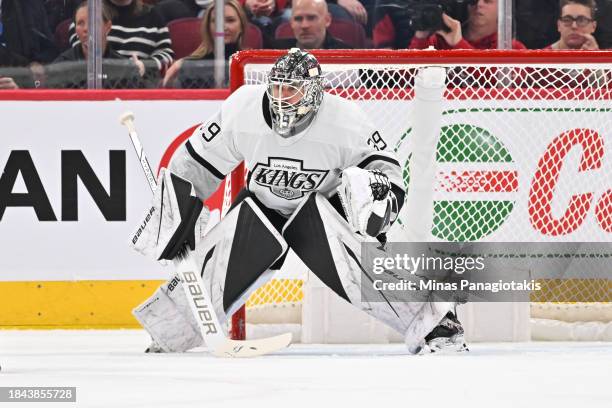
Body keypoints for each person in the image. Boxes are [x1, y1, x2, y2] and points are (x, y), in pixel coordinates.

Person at [130, 48, 468, 355]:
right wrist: (176, 212)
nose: (281, 98)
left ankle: (437, 322)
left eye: (291, 90)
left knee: (354, 265)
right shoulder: (242, 108)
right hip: (264, 206)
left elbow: (387, 169)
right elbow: (195, 163)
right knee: (221, 257)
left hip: (325, 207)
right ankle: (171, 331)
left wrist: (378, 194)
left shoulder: (343, 120)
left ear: (314, 93)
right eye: (276, 88)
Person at [67, 0, 174, 77]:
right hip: (96, 83)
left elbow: (167, 54)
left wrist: (144, 65)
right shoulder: (87, 11)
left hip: (136, 87)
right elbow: (81, 53)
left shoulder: (153, 15)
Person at [162, 0, 247, 88]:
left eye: (230, 20)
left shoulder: (252, 65)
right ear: (208, 26)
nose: (222, 27)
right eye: (215, 21)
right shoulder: (190, 67)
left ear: (242, 26)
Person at [409, 0, 526, 50]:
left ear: (502, 9)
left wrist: (458, 44)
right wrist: (421, 37)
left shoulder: (511, 48)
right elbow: (407, 79)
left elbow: (498, 83)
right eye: (473, 0)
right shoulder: (441, 39)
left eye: (487, 0)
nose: (479, 4)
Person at [54, 1, 123, 62]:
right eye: (80, 23)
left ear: (107, 27)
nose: (86, 28)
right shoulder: (62, 64)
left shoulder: (123, 68)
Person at [268, 0, 351, 49]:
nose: (304, 25)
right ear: (291, 22)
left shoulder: (347, 55)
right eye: (298, 19)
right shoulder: (275, 51)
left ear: (327, 20)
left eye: (311, 18)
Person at [0, 0, 58, 67]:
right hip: (16, 67)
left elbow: (49, 47)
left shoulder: (31, 5)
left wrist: (37, 64)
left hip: (25, 72)